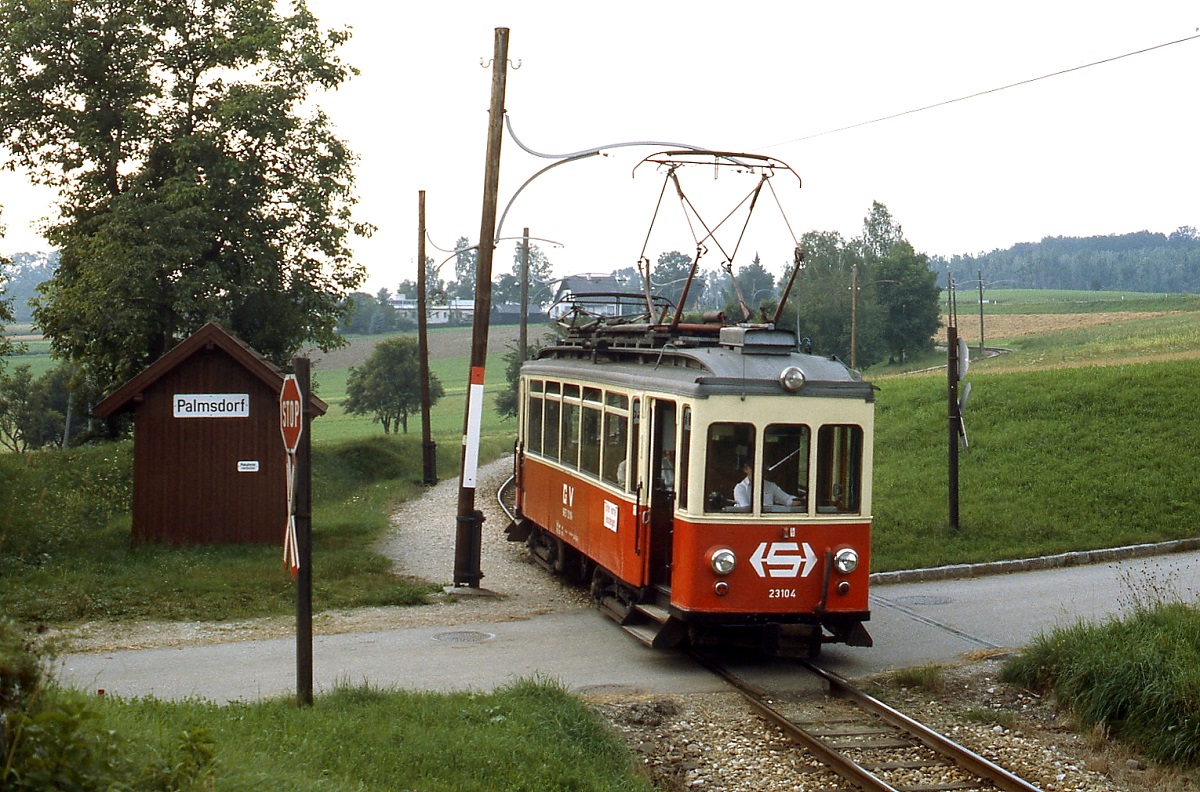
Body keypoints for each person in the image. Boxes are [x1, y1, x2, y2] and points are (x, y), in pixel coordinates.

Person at [733, 462, 800, 508]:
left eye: (760, 468)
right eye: (752, 468)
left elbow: (788, 500)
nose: (757, 470)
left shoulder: (771, 486)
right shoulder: (740, 488)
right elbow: (745, 510)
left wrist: (804, 500)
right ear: (745, 469)